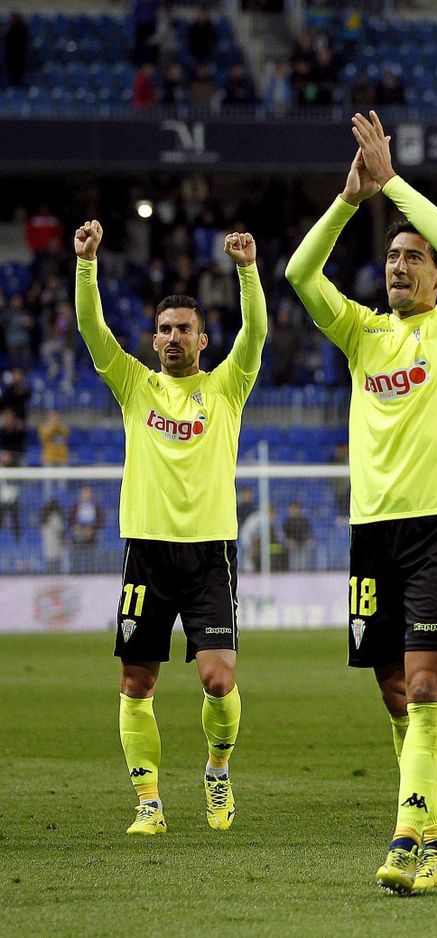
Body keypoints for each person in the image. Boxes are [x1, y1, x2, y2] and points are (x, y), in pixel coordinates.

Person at [287, 111, 437, 894]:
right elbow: (301, 275)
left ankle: (408, 839)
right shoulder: (365, 334)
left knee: (430, 683)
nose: (399, 265)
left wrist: (393, 184)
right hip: (372, 532)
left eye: (414, 257)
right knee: (396, 691)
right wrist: (348, 200)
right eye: (393, 256)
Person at [74, 218, 264, 838]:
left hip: (210, 554)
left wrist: (245, 271)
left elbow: (256, 333)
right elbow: (91, 330)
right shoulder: (135, 386)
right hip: (147, 554)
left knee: (219, 675)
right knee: (137, 680)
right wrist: (87, 262)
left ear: (203, 340)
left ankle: (217, 773)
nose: (174, 337)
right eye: (164, 329)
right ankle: (148, 803)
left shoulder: (226, 389)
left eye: (184, 328)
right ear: (153, 340)